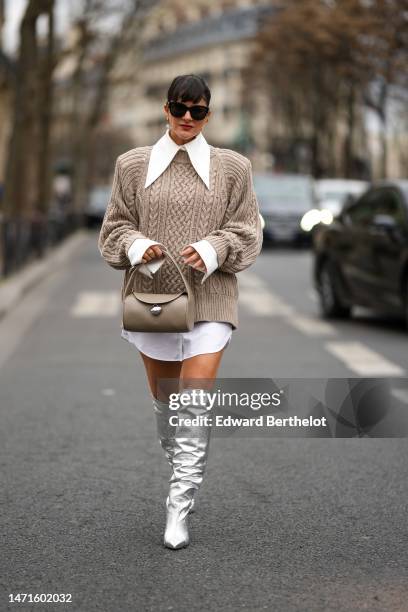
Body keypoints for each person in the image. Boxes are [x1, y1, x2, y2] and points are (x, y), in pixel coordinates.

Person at [98, 74, 263, 549]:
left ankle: (178, 508)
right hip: (153, 301)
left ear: (209, 114)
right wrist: (138, 245)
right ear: (166, 110)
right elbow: (114, 228)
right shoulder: (132, 164)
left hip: (212, 298)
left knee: (193, 400)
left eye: (198, 111)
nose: (188, 118)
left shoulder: (233, 166)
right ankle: (184, 474)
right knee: (168, 405)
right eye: (179, 108)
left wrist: (213, 249)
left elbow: (247, 229)